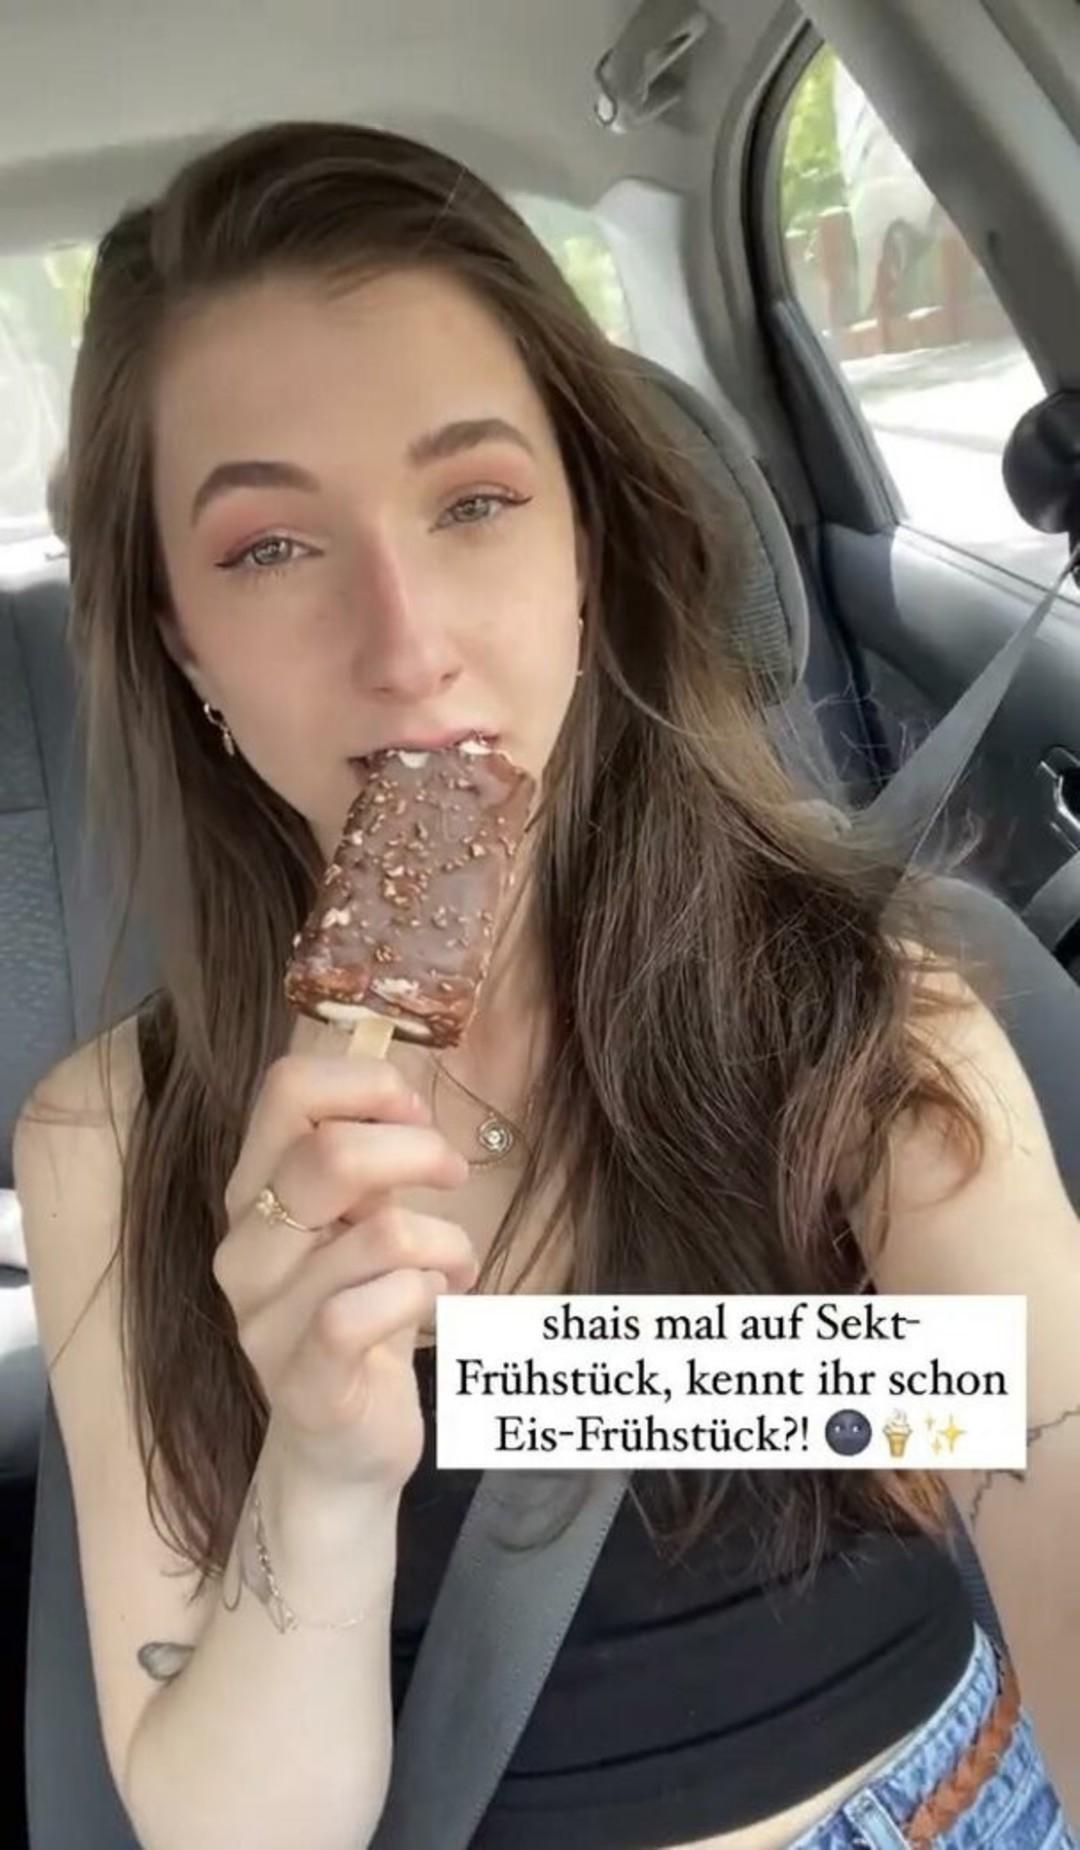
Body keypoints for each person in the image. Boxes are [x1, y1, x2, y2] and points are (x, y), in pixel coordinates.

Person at [14, 120, 1080, 1850]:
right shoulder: (108, 1143)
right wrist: (324, 1467)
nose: (408, 641)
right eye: (270, 546)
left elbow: (1041, 1423)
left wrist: (537, 1373)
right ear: (176, 635)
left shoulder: (861, 1009)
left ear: (587, 546)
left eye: (476, 502)